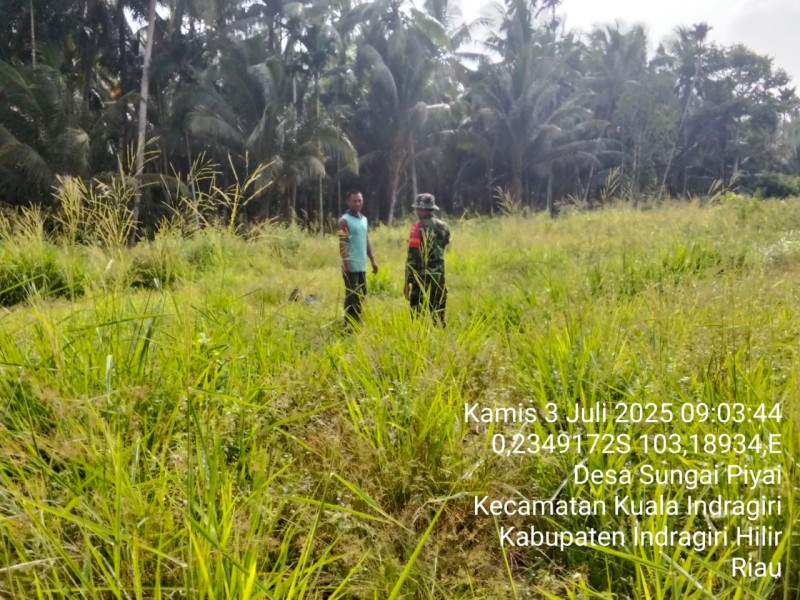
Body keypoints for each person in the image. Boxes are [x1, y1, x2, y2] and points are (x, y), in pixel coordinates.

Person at [404, 193, 450, 326]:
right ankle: (439, 332)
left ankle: (419, 340)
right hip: (439, 275)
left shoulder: (416, 227)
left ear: (420, 209)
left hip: (421, 275)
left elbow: (411, 257)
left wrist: (407, 282)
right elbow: (444, 244)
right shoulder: (444, 226)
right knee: (438, 310)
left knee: (418, 316)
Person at [338, 190, 378, 326]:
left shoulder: (364, 220)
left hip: (362, 265)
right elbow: (342, 242)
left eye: (360, 200)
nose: (357, 203)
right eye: (354, 201)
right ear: (348, 202)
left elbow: (366, 240)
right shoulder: (343, 221)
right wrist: (346, 262)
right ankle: (349, 324)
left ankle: (356, 321)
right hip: (350, 266)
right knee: (352, 296)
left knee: (361, 294)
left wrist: (372, 260)